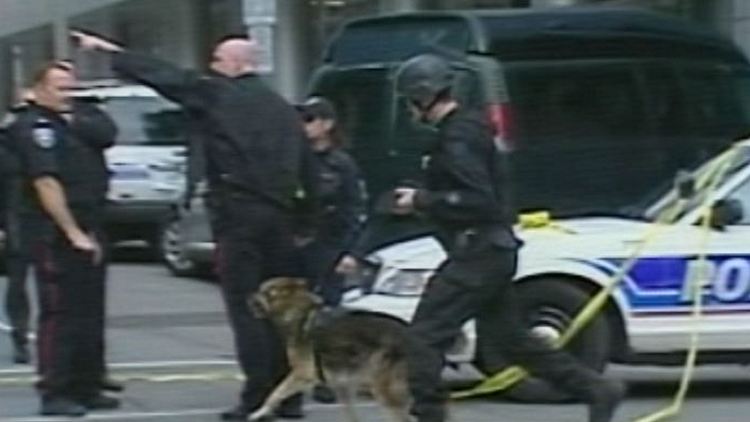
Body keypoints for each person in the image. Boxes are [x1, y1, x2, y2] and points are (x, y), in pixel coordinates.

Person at [72, 31, 319, 421]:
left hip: (239, 217)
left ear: (235, 65)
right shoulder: (283, 108)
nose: (212, 68)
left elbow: (168, 77)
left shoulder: (218, 94)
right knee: (283, 311)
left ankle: (257, 395)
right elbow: (309, 167)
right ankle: (288, 395)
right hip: (280, 219)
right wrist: (307, 220)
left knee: (247, 309)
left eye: (217, 61)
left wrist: (114, 53)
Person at [390, 54, 626, 422]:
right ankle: (595, 389)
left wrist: (421, 200)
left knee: (423, 336)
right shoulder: (469, 129)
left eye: (409, 99)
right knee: (512, 340)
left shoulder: (458, 137)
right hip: (491, 250)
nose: (408, 109)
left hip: (477, 253)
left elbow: (477, 199)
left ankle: (429, 414)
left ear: (423, 97)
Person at [6, 61, 118, 416]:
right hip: (54, 232)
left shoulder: (74, 120)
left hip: (90, 223)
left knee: (89, 312)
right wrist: (72, 231)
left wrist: (87, 231)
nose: (67, 94)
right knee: (60, 314)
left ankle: (86, 385)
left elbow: (106, 133)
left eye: (70, 87)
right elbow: (46, 183)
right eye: (59, 88)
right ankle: (55, 390)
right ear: (38, 90)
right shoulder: (34, 127)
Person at [296, 96, 367, 308]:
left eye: (309, 119)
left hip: (330, 249)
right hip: (298, 248)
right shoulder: (293, 159)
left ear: (327, 124)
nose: (302, 125)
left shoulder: (342, 164)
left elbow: (354, 209)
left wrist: (353, 253)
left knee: (327, 312)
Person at [1, 95, 34, 365]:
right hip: (19, 215)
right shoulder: (8, 141)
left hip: (30, 214)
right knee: (18, 282)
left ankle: (23, 337)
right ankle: (20, 338)